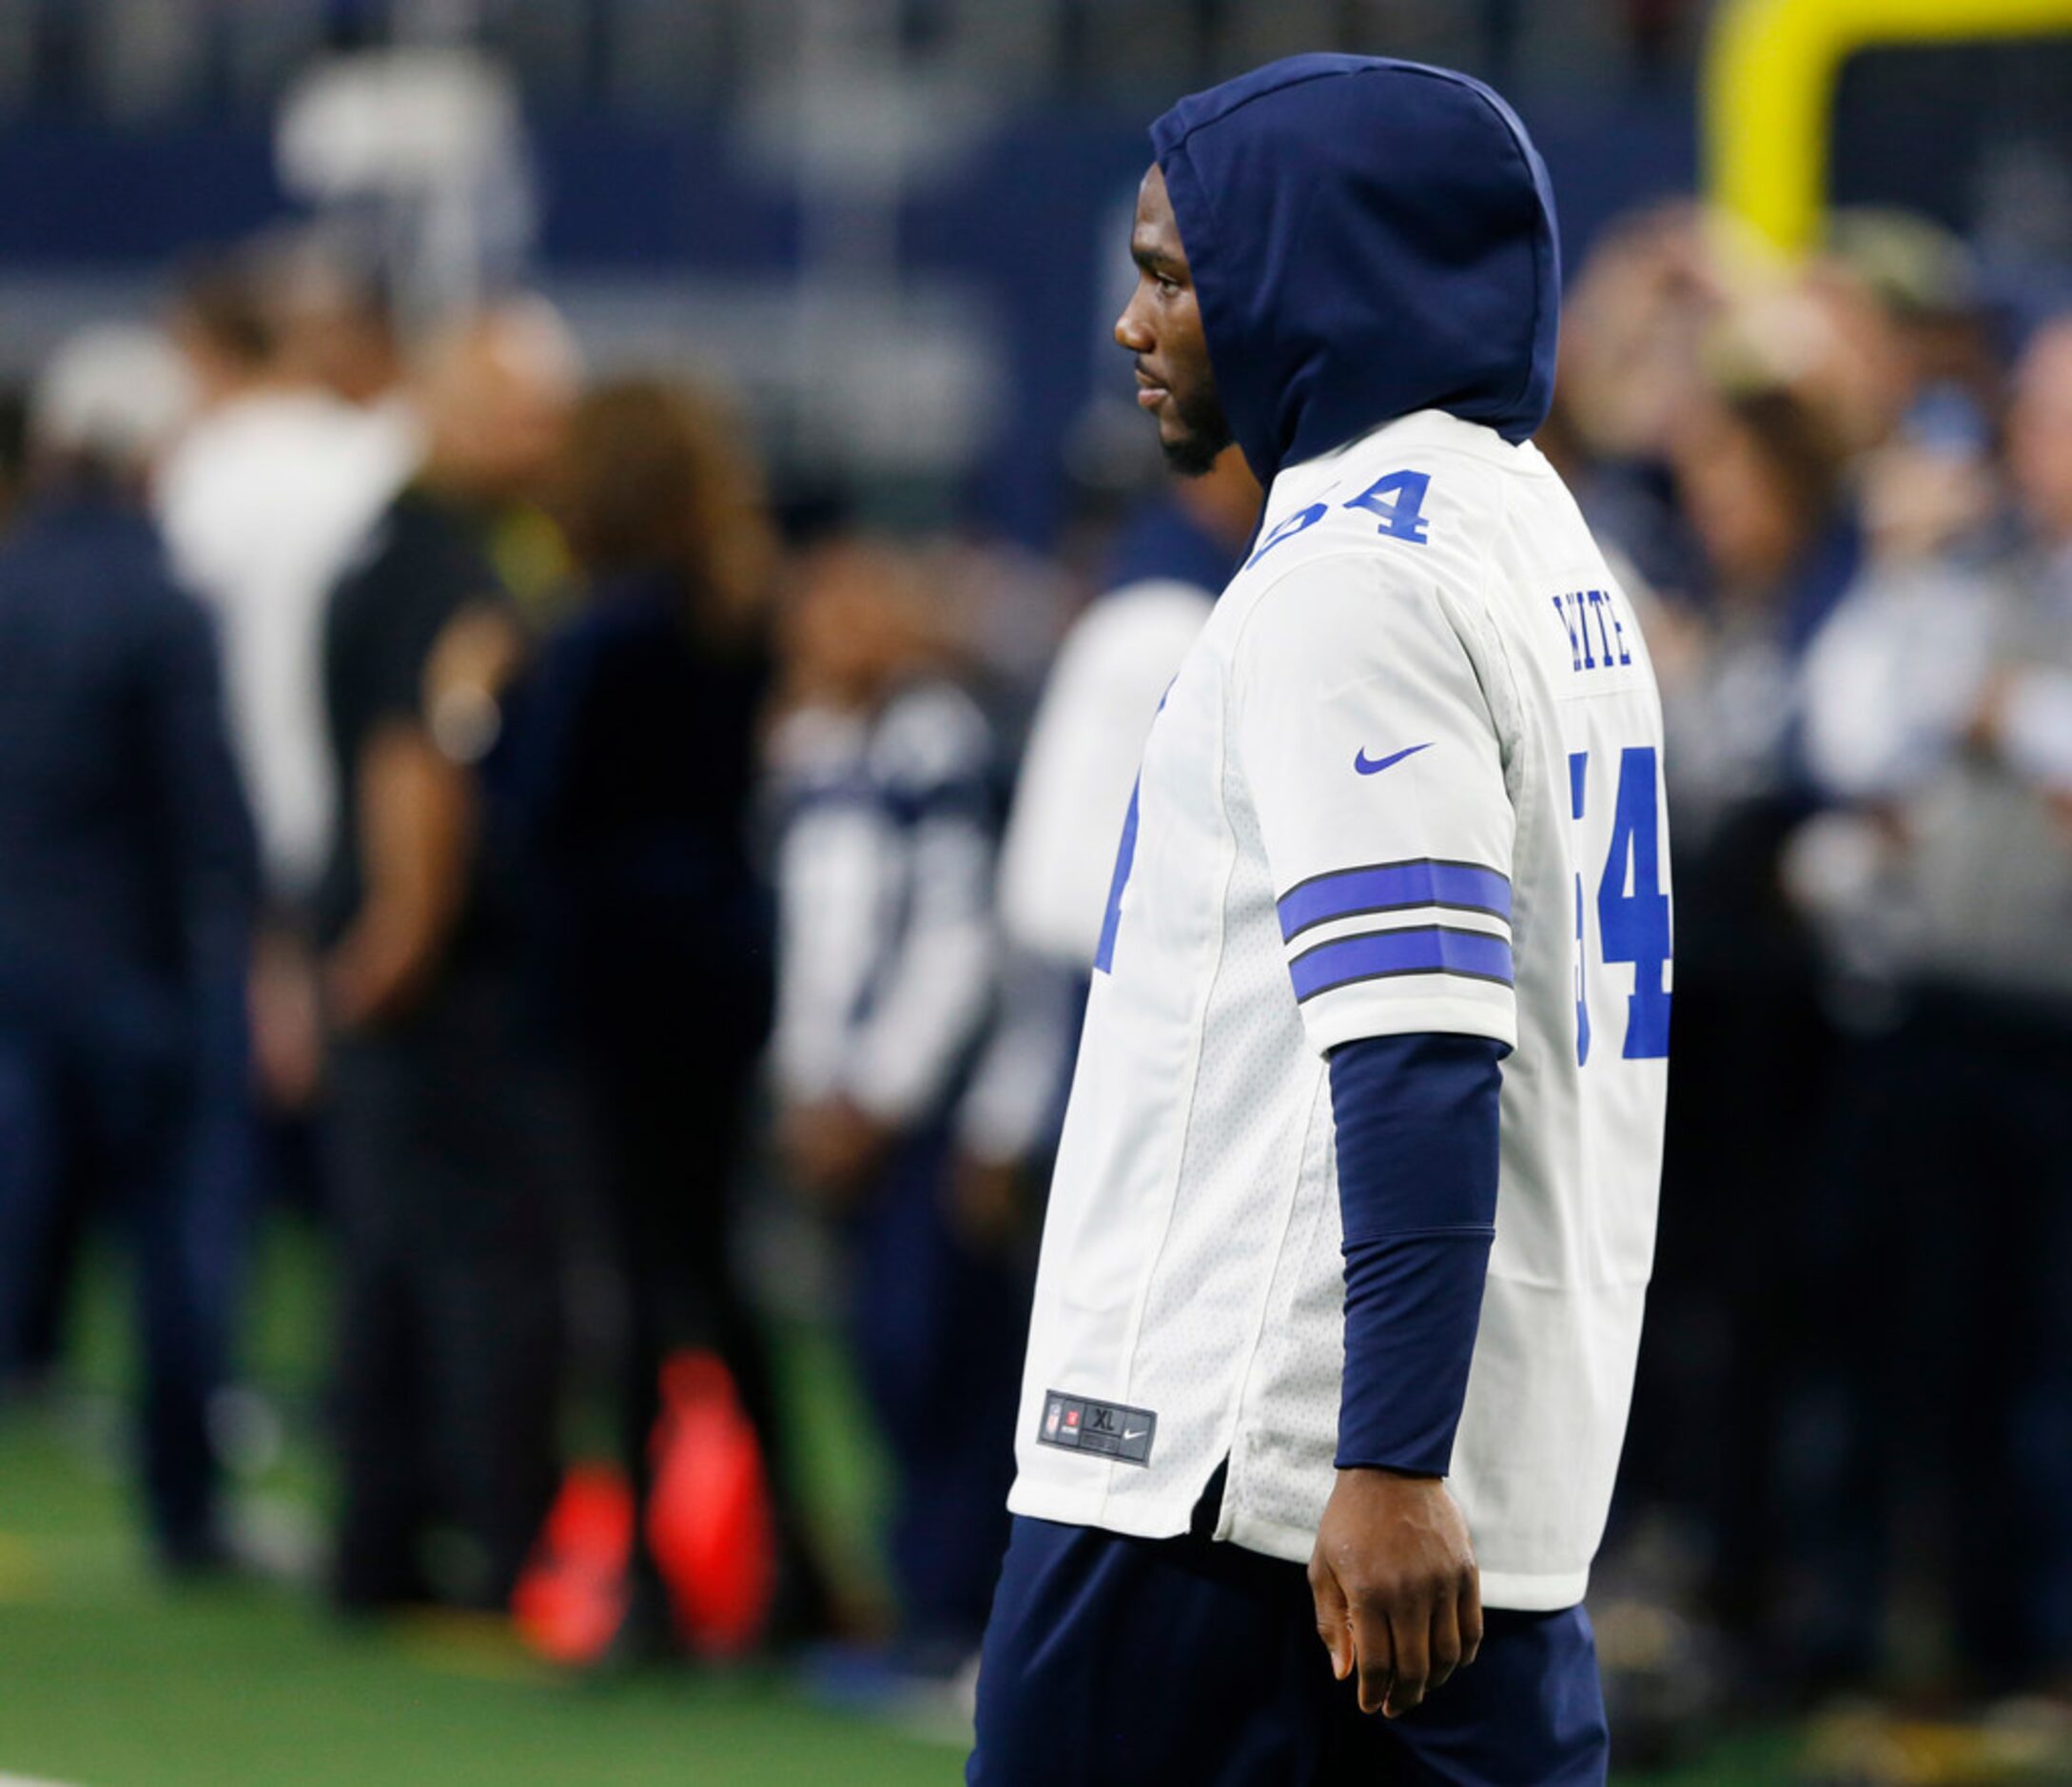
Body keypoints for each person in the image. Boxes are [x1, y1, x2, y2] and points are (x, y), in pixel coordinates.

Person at [968, 55, 1670, 1783]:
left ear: (1307, 276)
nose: (1135, 328)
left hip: (1245, 1492)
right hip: (1465, 1488)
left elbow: (1418, 1034)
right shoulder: (1542, 540)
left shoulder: (1357, 575)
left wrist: (1382, 1456)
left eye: (1171, 274)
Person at [506, 376, 817, 1652]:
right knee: (715, 1274)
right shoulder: (733, 614)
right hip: (719, 971)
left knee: (625, 1276)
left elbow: (533, 813)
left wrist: (481, 714)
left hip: (609, 987)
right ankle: (797, 1559)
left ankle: (643, 1579)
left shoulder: (589, 634)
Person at [317, 302, 580, 1615]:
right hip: (444, 979)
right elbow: (413, 755)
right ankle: (487, 1539)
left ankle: (379, 1541)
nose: (546, 433)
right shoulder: (446, 564)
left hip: (412, 967)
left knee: (395, 1258)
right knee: (478, 1268)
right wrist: (403, 935)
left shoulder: (410, 543)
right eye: (521, 407)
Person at [0, 326, 257, 1571]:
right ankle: (184, 1510)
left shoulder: (8, 581)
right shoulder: (162, 601)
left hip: (15, 968)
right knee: (176, 1253)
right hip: (141, 979)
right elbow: (210, 808)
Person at [769, 538, 1019, 1674]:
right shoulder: (813, 747)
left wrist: (874, 1092)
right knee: (875, 1356)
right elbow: (817, 939)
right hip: (840, 1110)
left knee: (938, 1356)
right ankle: (921, 1597)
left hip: (929, 1113)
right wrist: (804, 1076)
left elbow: (960, 937)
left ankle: (954, 1612)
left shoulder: (939, 738)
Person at [954, 444, 1259, 1217]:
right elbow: (1068, 901)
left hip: (1084, 1020)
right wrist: (1017, 1108)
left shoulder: (1168, 600)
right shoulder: (1170, 617)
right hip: (1106, 1031)